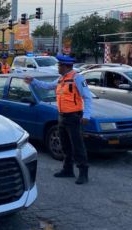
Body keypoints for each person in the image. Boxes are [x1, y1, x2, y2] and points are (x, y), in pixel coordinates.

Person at [24, 55, 93, 185]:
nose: (58, 67)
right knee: (65, 145)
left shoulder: (77, 78)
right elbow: (48, 86)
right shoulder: (61, 79)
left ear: (66, 66)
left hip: (74, 117)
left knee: (78, 146)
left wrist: (87, 115)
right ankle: (67, 169)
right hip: (62, 116)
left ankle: (83, 172)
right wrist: (33, 81)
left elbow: (87, 97)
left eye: (59, 65)